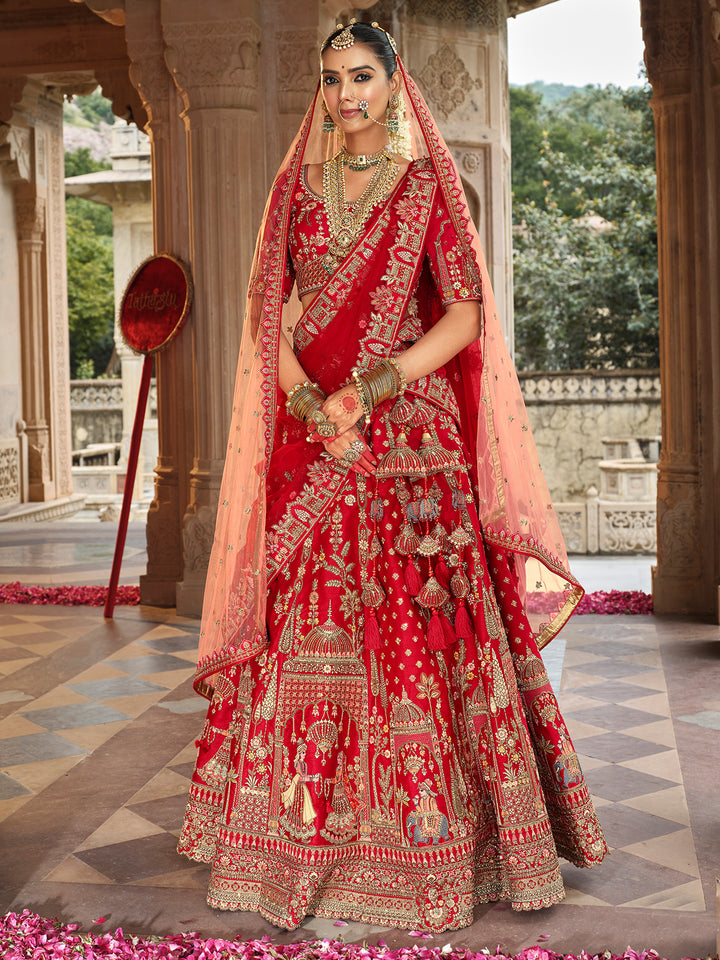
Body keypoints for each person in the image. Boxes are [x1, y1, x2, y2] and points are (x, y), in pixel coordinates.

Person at [178, 20, 607, 932]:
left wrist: (373, 385)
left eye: (362, 75)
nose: (346, 95)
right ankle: (291, 844)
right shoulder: (296, 192)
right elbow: (271, 328)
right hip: (320, 449)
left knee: (423, 645)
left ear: (394, 81)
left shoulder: (423, 190)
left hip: (411, 453)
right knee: (309, 640)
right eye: (332, 79)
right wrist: (307, 408)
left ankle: (440, 848)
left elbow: (463, 315)